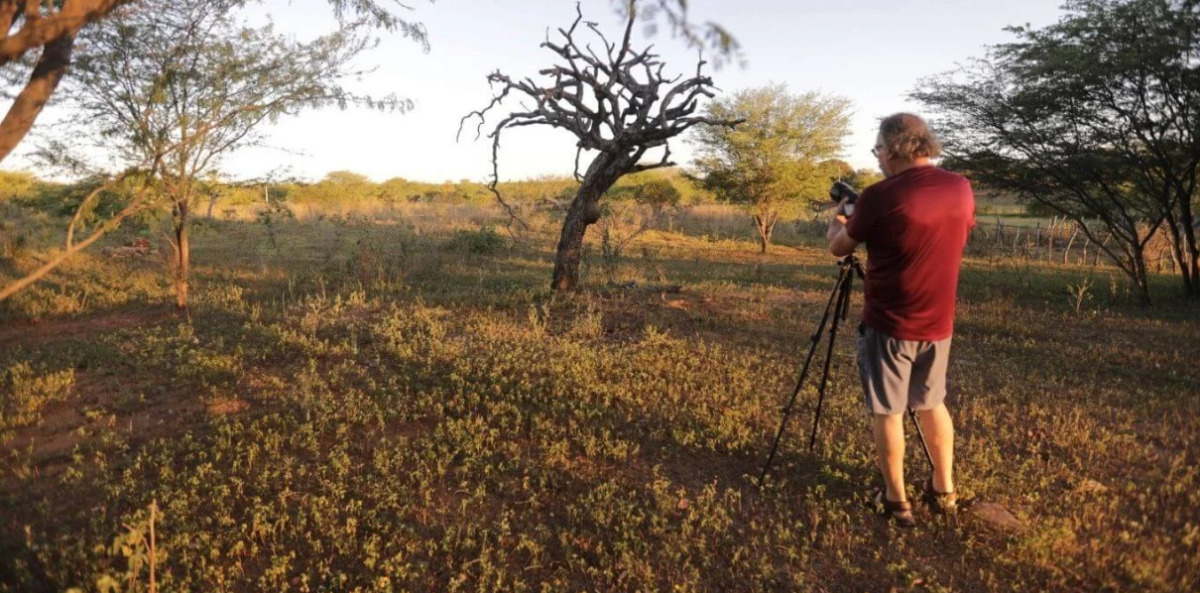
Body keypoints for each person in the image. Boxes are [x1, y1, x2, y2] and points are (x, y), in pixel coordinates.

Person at [825, 113, 975, 527]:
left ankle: (896, 501)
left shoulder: (878, 196)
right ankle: (944, 489)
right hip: (939, 321)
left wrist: (836, 219)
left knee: (888, 411)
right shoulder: (960, 188)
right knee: (931, 403)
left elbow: (839, 248)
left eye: (877, 150)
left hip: (890, 322)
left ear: (893, 148)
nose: (876, 158)